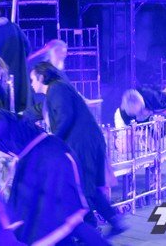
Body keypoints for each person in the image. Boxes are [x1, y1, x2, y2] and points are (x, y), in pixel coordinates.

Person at [0, 97, 110, 245]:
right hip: (44, 161)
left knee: (57, 216)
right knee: (58, 216)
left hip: (47, 162)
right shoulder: (4, 117)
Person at [30, 62, 127, 237]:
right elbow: (45, 112)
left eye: (32, 79)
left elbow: (65, 117)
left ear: (41, 77)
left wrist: (53, 142)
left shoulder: (57, 89)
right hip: (84, 141)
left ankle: (97, 226)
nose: (31, 84)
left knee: (84, 185)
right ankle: (107, 222)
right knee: (85, 185)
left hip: (83, 143)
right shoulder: (56, 90)